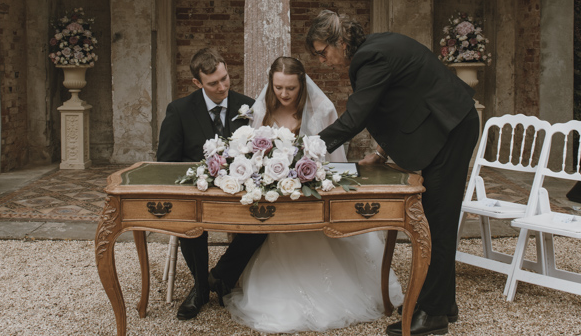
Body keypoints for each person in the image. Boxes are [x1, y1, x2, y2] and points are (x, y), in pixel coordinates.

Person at [305, 11, 479, 336]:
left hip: (451, 127)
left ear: (340, 42)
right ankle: (443, 303)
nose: (321, 60)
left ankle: (432, 315)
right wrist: (381, 153)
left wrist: (307, 149)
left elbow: (355, 117)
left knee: (437, 221)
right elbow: (397, 104)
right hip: (446, 125)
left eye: (322, 52)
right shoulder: (373, 50)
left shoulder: (370, 58)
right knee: (435, 218)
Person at [224, 56, 404, 333]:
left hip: (312, 198)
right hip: (277, 199)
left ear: (303, 84)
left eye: (291, 88)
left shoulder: (322, 109)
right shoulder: (261, 109)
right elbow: (254, 156)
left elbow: (334, 163)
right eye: (278, 87)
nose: (284, 94)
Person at [156, 47, 267, 320]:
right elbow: (166, 164)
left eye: (225, 78)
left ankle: (220, 276)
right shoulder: (179, 110)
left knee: (266, 220)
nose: (222, 87)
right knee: (189, 223)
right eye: (213, 83)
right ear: (197, 82)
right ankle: (200, 288)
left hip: (241, 196)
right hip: (198, 196)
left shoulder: (249, 107)